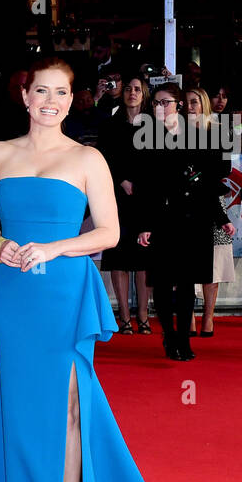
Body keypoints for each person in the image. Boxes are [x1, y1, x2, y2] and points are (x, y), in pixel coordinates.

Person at [0, 57, 234, 482]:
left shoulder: (89, 158)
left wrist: (52, 249)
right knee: (23, 409)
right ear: (25, 97)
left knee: (70, 408)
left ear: (72, 101)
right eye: (41, 91)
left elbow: (109, 233)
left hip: (64, 290)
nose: (50, 101)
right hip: (15, 297)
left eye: (62, 93)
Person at [136, 84, 232, 360]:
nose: (159, 107)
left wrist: (221, 217)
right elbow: (146, 187)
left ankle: (183, 339)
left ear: (178, 105)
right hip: (163, 219)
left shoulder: (199, 136)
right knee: (164, 283)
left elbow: (209, 182)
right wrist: (145, 224)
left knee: (188, 283)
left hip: (196, 219)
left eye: (165, 102)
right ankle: (169, 335)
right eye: (155, 103)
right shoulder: (147, 138)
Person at [97, 75, 152, 334]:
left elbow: (158, 162)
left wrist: (140, 183)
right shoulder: (110, 125)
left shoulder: (154, 126)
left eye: (137, 89)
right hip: (116, 196)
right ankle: (124, 314)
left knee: (144, 258)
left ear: (144, 94)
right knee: (119, 256)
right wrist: (121, 181)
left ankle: (143, 313)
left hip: (145, 196)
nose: (132, 93)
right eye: (128, 89)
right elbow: (104, 159)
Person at [186, 86, 237, 332]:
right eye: (186, 103)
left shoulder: (219, 132)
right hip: (183, 203)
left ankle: (208, 316)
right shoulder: (172, 134)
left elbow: (223, 170)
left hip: (212, 202)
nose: (189, 107)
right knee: (185, 264)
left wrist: (199, 177)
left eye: (194, 102)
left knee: (213, 264)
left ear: (204, 104)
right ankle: (189, 316)